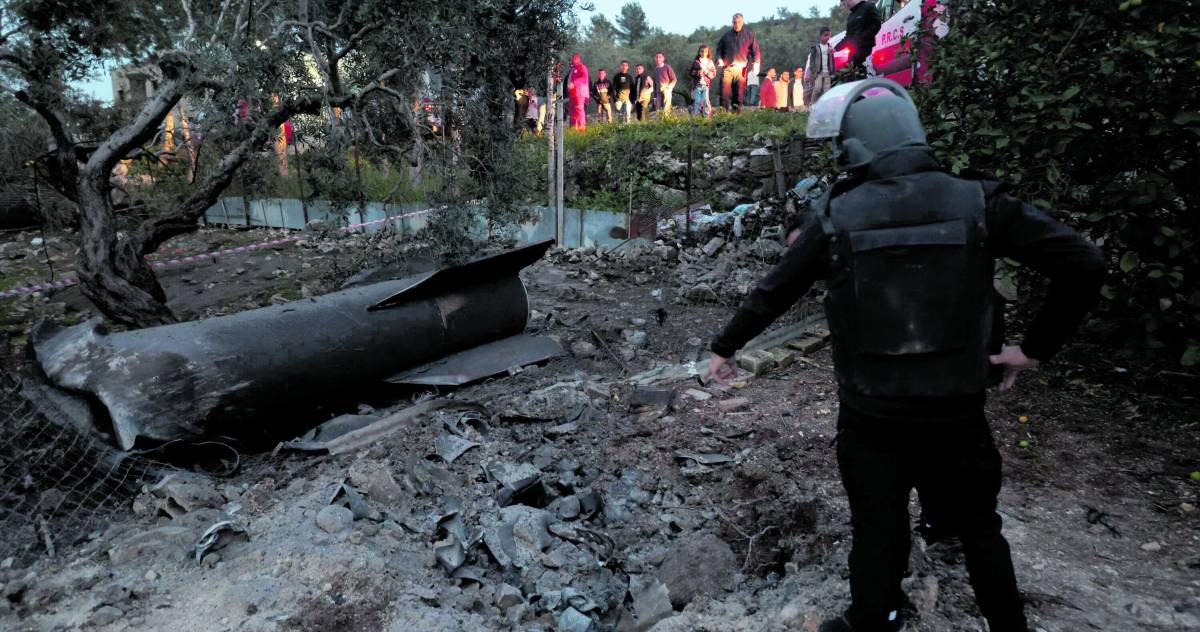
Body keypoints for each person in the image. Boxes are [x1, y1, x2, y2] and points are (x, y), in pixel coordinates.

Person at [705, 78, 1106, 632]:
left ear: (854, 146)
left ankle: (876, 618)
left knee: (878, 524)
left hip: (871, 410)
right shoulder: (979, 201)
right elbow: (1084, 263)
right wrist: (1034, 350)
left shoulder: (837, 214)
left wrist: (725, 346)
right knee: (979, 526)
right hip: (957, 406)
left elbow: (775, 290)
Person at [716, 12, 760, 113]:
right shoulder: (726, 36)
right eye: (735, 22)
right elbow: (718, 50)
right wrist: (719, 59)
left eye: (739, 22)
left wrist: (756, 63)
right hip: (728, 68)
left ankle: (736, 117)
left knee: (738, 96)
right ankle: (722, 117)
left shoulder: (749, 35)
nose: (737, 24)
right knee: (724, 94)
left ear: (742, 22)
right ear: (732, 22)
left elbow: (756, 51)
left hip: (742, 69)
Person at [837, 0, 883, 79]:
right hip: (853, 53)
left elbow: (876, 24)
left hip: (866, 49)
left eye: (844, 4)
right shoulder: (850, 16)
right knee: (853, 76)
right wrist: (836, 48)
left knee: (865, 74)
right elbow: (848, 36)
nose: (844, 7)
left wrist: (862, 37)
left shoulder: (868, 6)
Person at [805, 27, 836, 105]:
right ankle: (812, 103)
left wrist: (833, 70)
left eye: (829, 35)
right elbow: (812, 61)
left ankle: (825, 105)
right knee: (817, 88)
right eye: (825, 35)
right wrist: (813, 71)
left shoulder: (830, 47)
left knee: (827, 90)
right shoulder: (816, 48)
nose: (827, 37)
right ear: (821, 36)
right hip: (819, 72)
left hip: (827, 72)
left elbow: (832, 60)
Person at [689, 44, 717, 118]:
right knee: (697, 101)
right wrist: (698, 72)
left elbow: (714, 73)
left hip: (706, 85)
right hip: (697, 85)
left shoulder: (710, 62)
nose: (703, 53)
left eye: (705, 51)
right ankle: (696, 117)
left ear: (708, 52)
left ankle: (707, 117)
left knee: (705, 100)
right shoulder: (696, 62)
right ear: (699, 52)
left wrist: (708, 73)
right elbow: (690, 72)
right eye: (702, 51)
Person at [567, 52, 590, 130]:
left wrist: (574, 83)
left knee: (579, 111)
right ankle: (574, 130)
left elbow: (584, 78)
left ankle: (581, 130)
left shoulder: (582, 67)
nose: (572, 60)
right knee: (572, 112)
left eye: (574, 58)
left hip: (580, 93)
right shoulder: (572, 69)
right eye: (572, 59)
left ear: (578, 59)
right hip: (573, 94)